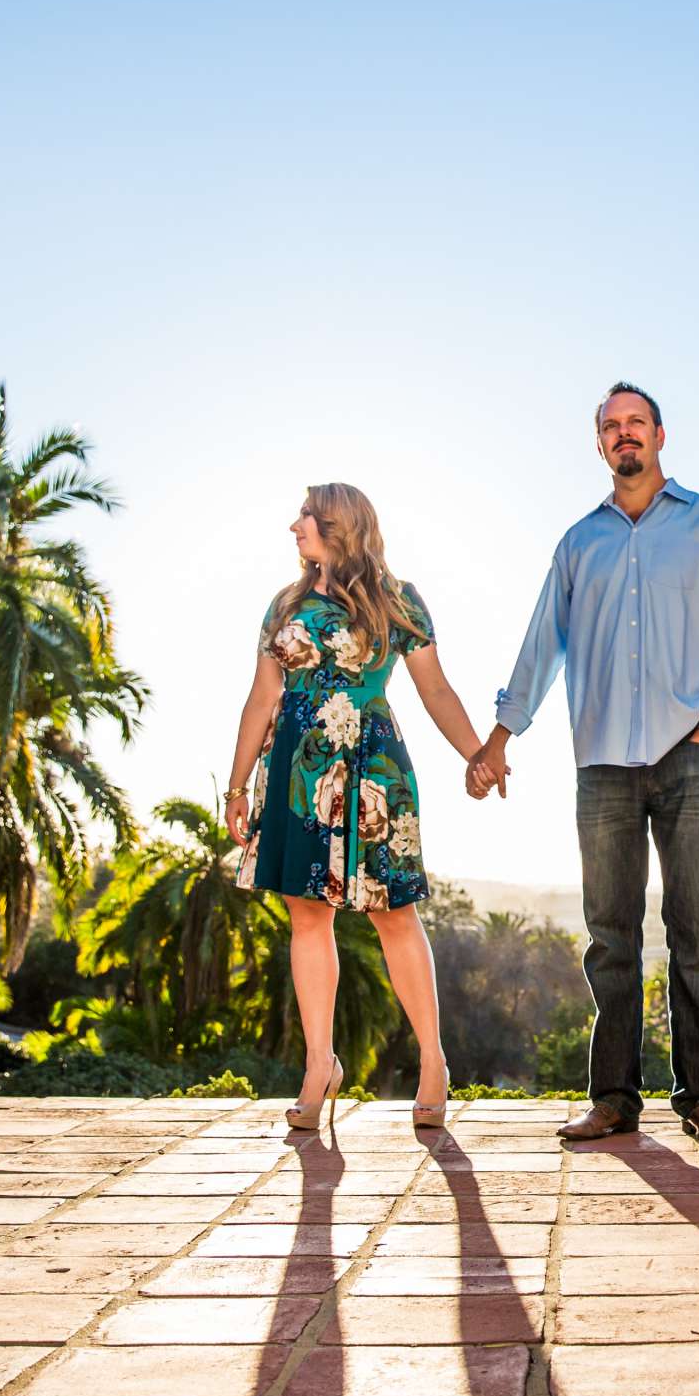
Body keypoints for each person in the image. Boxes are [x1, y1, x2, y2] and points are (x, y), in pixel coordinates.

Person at [469, 383, 699, 1144]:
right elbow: (543, 645)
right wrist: (501, 736)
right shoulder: (579, 545)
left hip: (690, 758)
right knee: (611, 936)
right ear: (598, 444)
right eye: (611, 426)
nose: (624, 435)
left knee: (697, 933)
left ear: (660, 435)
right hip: (601, 763)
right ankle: (613, 1100)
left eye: (636, 423)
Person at [225, 482, 491, 1133]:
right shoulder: (285, 606)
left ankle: (434, 1061)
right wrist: (236, 789)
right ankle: (320, 1064)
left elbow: (436, 690)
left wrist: (477, 754)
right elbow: (261, 700)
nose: (294, 526)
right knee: (306, 914)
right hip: (295, 771)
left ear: (338, 526)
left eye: (306, 517)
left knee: (393, 913)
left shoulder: (400, 602)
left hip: (375, 769)